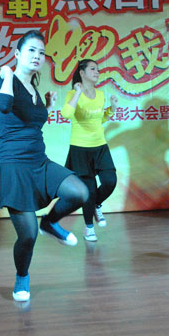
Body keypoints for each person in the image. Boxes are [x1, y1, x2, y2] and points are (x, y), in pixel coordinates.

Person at [0, 30, 89, 302]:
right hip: (13, 166)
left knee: (79, 192)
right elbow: (3, 107)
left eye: (41, 53)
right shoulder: (6, 80)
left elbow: (32, 122)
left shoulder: (33, 88)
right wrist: (7, 74)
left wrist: (48, 106)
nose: (37, 56)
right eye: (31, 50)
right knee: (28, 236)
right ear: (17, 54)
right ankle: (22, 276)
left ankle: (50, 223)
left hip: (38, 161)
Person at [60, 59, 118, 242]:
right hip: (80, 148)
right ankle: (89, 228)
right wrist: (78, 93)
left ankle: (96, 205)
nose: (97, 72)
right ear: (82, 73)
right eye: (93, 69)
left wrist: (112, 108)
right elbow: (66, 114)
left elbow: (99, 119)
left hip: (100, 146)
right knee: (89, 190)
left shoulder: (100, 94)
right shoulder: (72, 93)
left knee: (110, 181)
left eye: (98, 69)